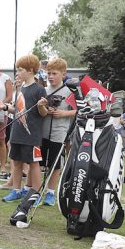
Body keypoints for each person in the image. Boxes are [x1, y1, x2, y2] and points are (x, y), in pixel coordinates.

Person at [0, 54, 48, 202]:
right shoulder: (20, 89)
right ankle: (16, 191)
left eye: (20, 70)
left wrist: (41, 106)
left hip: (31, 135)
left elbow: (43, 113)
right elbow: (18, 110)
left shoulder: (39, 90)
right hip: (17, 133)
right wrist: (5, 107)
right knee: (17, 162)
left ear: (30, 70)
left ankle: (36, 194)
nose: (17, 73)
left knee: (33, 164)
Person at [39, 58, 75, 205]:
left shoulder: (70, 91)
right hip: (43, 132)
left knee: (55, 164)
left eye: (54, 73)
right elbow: (40, 111)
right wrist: (44, 109)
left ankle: (51, 193)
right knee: (41, 164)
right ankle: (38, 191)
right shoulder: (44, 90)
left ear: (63, 74)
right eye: (49, 73)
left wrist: (63, 113)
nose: (51, 76)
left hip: (59, 133)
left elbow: (77, 111)